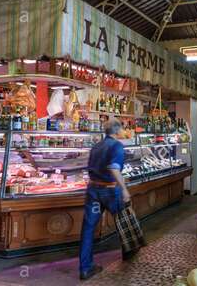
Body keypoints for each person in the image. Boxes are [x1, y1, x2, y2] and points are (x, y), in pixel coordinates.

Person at [79, 119, 133, 280]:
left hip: (93, 190)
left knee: (88, 229)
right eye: (122, 129)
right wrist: (124, 189)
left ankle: (85, 268)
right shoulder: (117, 146)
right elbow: (114, 168)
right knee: (124, 223)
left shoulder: (96, 146)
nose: (124, 132)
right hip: (110, 190)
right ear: (117, 132)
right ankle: (130, 259)